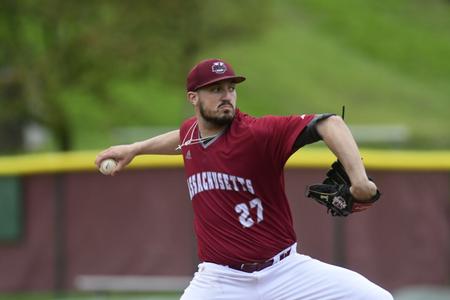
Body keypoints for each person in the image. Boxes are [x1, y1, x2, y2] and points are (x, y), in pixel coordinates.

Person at [95, 58, 393, 300]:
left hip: (285, 272)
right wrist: (135, 149)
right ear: (193, 98)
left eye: (230, 88)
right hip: (220, 280)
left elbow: (331, 123)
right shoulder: (191, 134)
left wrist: (360, 182)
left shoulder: (257, 135)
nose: (226, 95)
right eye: (215, 89)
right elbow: (182, 139)